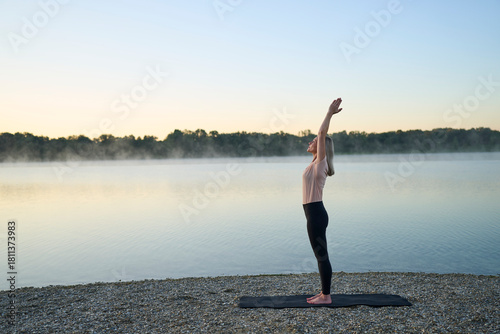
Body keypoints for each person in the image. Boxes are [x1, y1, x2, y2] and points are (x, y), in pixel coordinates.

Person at [303, 97, 343, 304]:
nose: (310, 141)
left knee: (322, 256)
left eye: (314, 141)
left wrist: (328, 113)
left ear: (321, 148)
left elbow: (322, 133)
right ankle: (323, 292)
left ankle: (326, 296)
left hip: (316, 214)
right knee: (320, 254)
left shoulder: (321, 164)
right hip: (314, 213)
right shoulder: (313, 165)